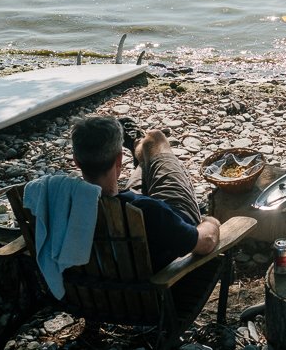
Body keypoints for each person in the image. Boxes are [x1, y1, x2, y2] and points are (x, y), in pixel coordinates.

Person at [71, 116, 220, 270]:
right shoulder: (147, 211)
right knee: (156, 139)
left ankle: (141, 157)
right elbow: (207, 241)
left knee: (144, 167)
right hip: (166, 281)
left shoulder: (61, 210)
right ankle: (140, 147)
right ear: (119, 160)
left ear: (76, 161)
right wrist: (211, 222)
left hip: (99, 289)